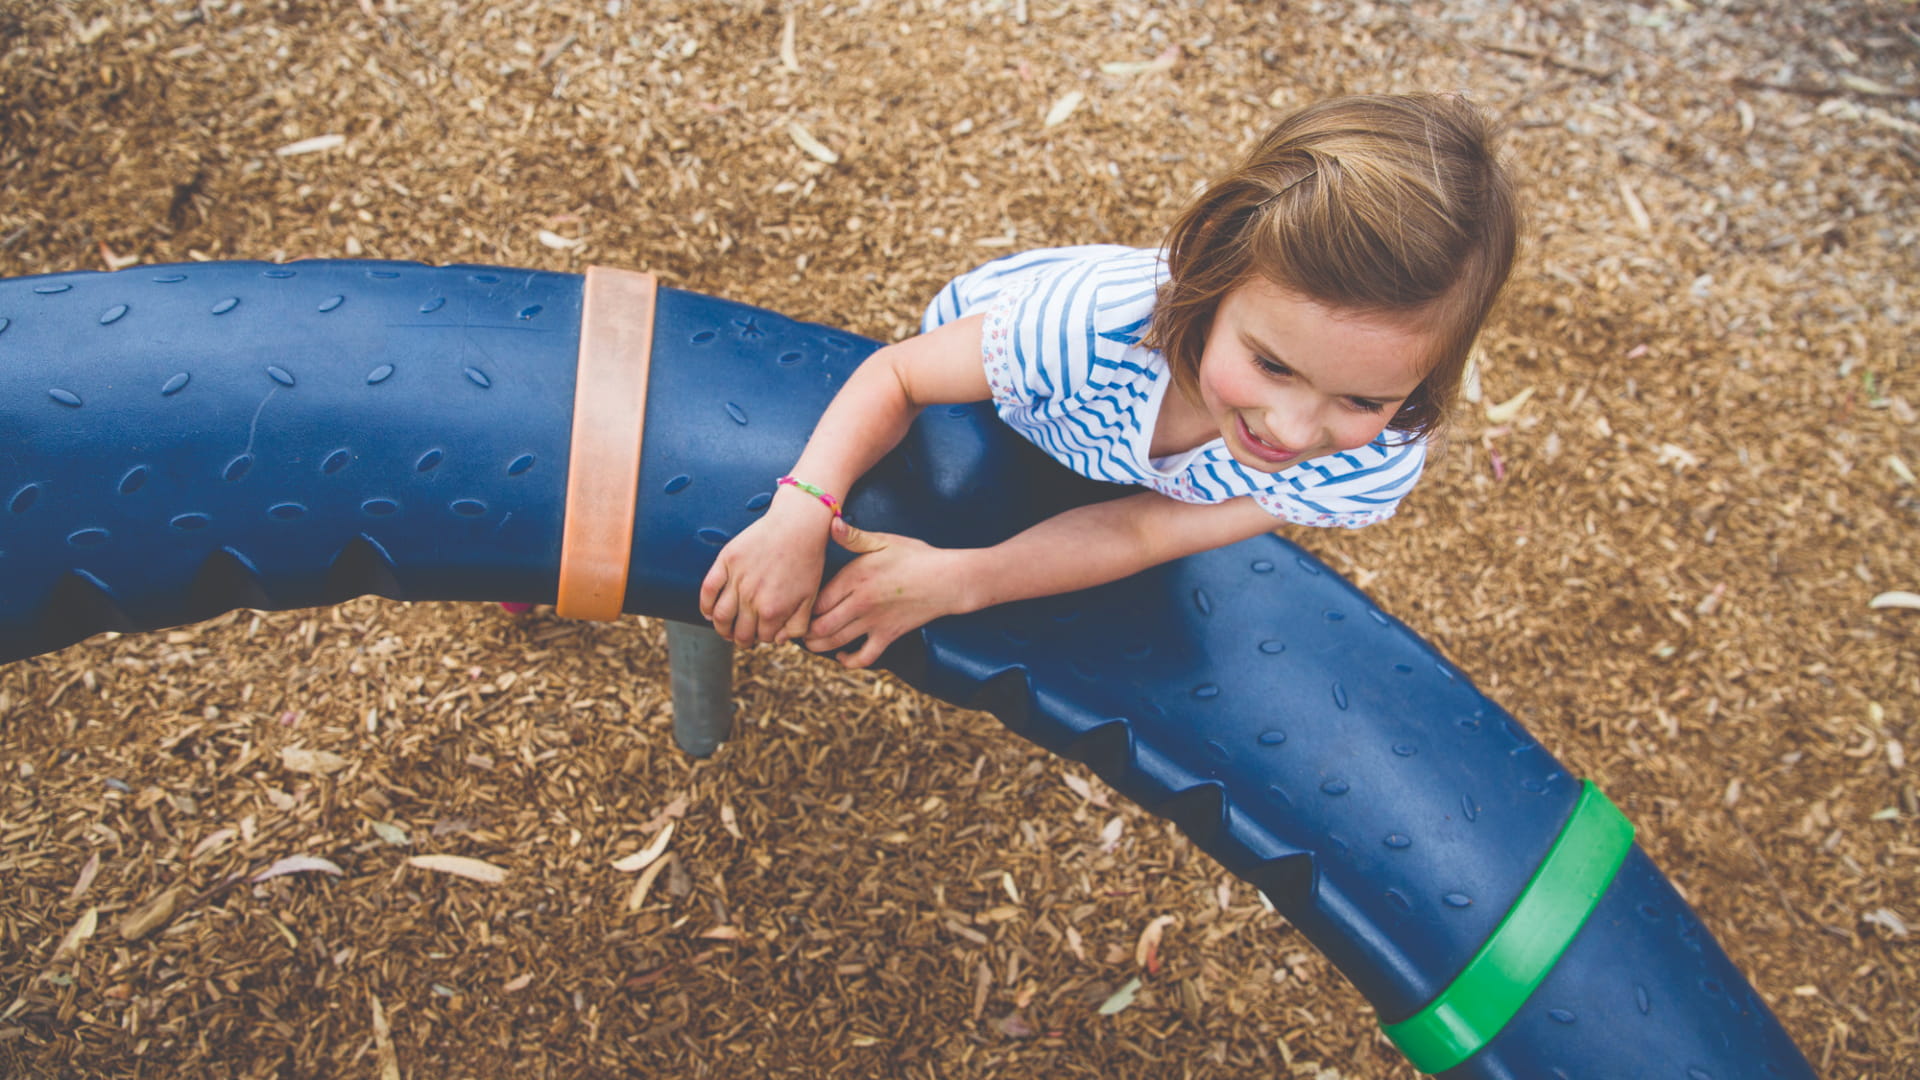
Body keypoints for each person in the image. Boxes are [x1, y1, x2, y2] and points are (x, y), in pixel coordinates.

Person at [699, 93, 1519, 669]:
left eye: (1363, 399)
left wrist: (965, 580)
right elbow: (898, 375)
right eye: (1272, 364)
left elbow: (1148, 532)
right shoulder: (1082, 329)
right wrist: (800, 511)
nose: (1295, 432)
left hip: (1112, 457)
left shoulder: (1368, 458)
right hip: (1017, 389)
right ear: (1209, 269)